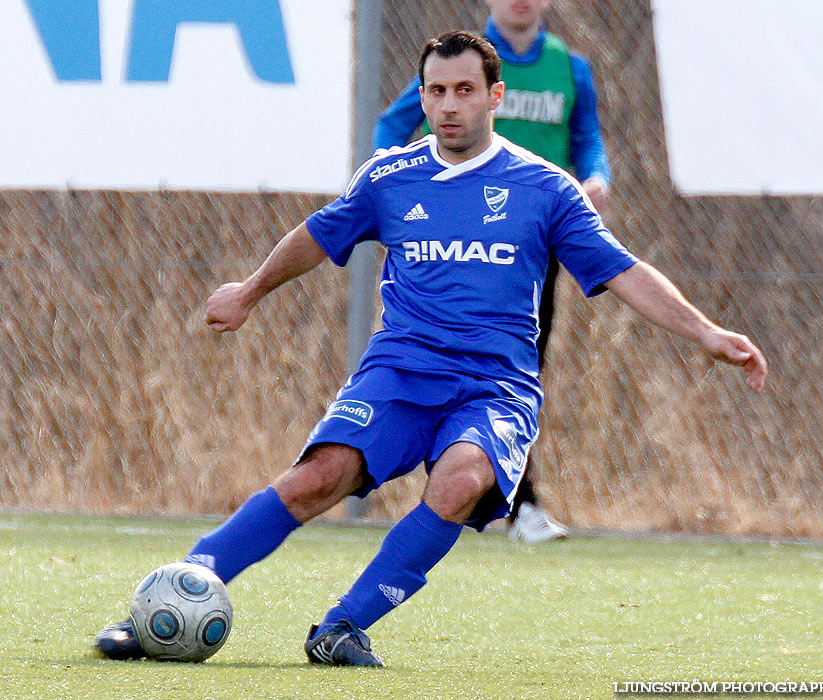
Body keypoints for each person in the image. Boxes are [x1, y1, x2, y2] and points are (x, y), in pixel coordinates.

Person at [95, 31, 767, 668]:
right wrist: (249, 289)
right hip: (399, 372)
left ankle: (342, 626)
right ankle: (173, 596)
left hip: (495, 388)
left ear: (495, 96)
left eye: (464, 90)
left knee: (462, 479)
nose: (449, 105)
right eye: (436, 91)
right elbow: (315, 233)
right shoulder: (391, 177)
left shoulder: (545, 189)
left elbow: (623, 270)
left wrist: (706, 331)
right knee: (317, 477)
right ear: (422, 96)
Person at [374, 0, 611, 542]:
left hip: (528, 244)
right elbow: (391, 125)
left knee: (520, 366)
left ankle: (500, 495)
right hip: (456, 239)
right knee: (434, 356)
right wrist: (394, 183)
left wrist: (596, 177)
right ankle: (507, 500)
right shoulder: (463, 65)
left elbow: (588, 139)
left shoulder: (568, 66)